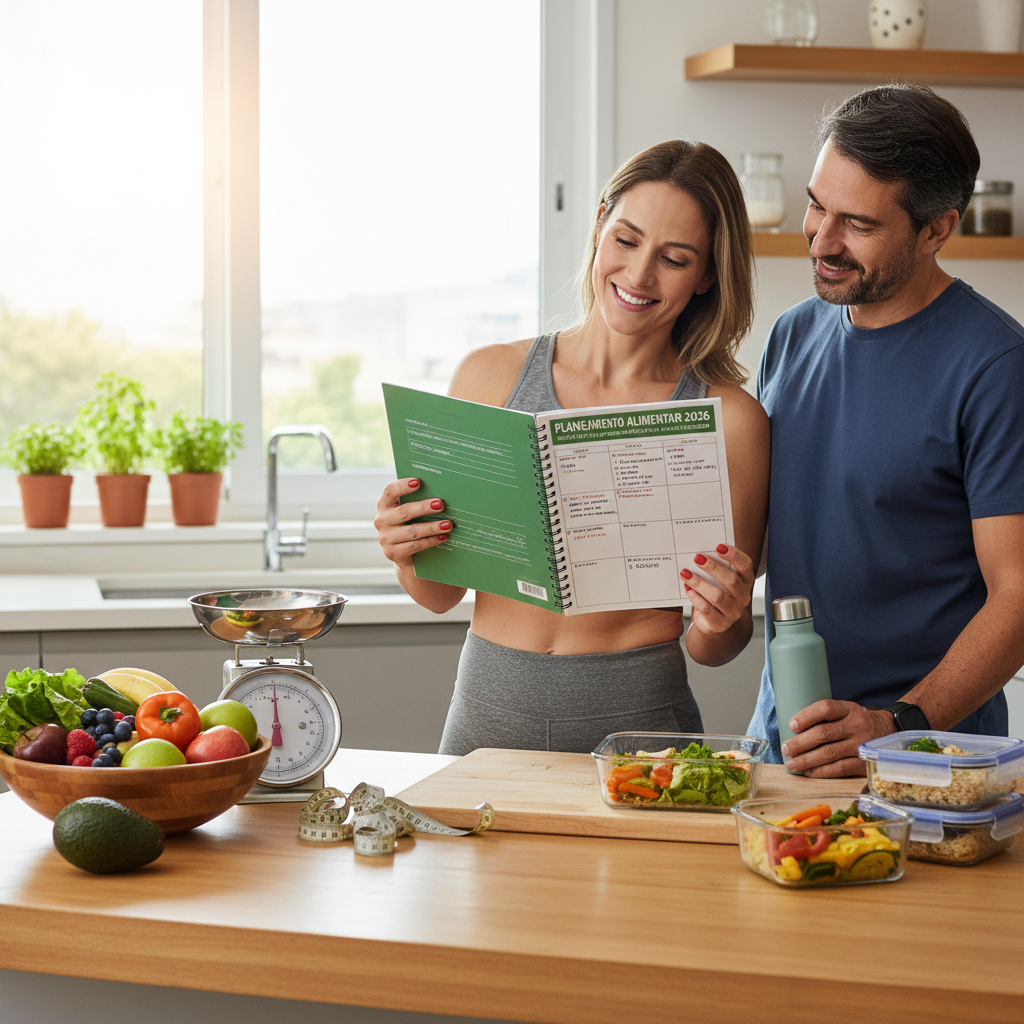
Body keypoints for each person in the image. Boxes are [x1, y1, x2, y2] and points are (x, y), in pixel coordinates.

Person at [374, 139, 770, 755]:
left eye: (674, 258)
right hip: (489, 712)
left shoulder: (732, 420)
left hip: (643, 727)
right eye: (627, 240)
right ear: (598, 230)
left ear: (708, 275)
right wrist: (406, 552)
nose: (638, 276)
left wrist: (726, 615)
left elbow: (714, 647)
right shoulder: (488, 375)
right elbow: (439, 594)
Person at [748, 84, 1024, 777]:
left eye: (858, 224)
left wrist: (897, 725)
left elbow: (1018, 592)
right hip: (786, 746)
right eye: (816, 204)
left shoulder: (996, 366)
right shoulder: (792, 334)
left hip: (932, 760)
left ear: (936, 229)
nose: (821, 238)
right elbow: (755, 538)